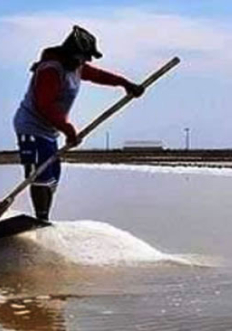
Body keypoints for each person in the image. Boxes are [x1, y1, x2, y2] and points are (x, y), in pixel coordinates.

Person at [13, 25, 144, 222]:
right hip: (31, 126)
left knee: (52, 176)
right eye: (85, 55)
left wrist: (126, 84)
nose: (87, 60)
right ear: (72, 53)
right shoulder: (51, 69)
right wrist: (68, 129)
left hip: (50, 131)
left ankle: (43, 219)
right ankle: (41, 218)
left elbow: (100, 75)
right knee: (39, 175)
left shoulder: (76, 67)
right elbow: (44, 105)